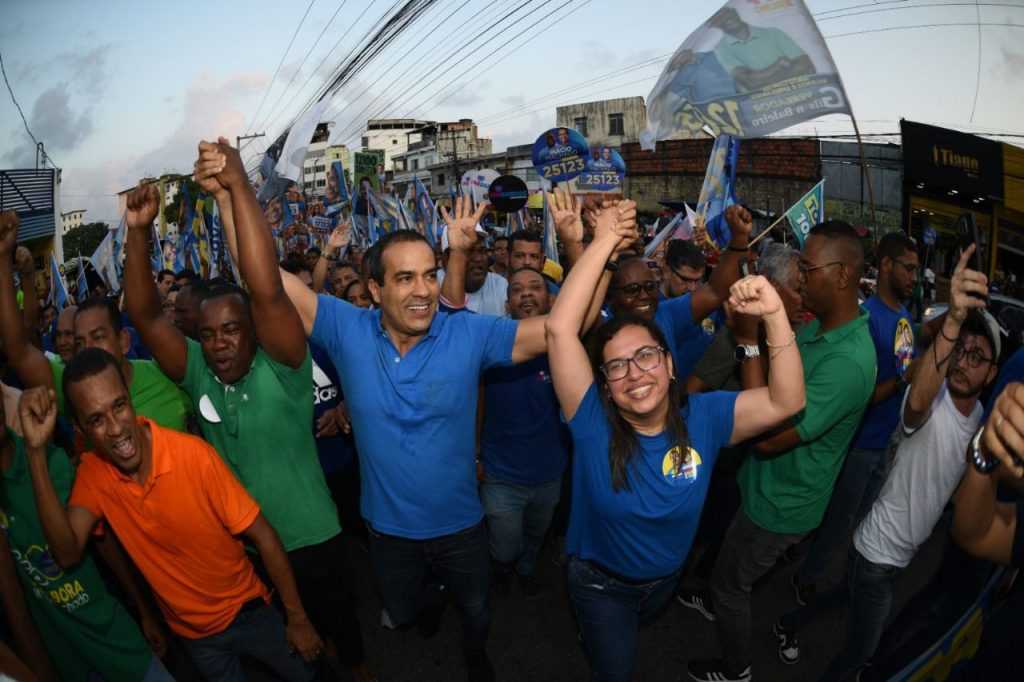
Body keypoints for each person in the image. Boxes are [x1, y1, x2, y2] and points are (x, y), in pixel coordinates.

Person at [271, 190, 629, 681]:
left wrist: (596, 248)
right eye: (404, 277)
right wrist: (232, 201)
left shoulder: (468, 333)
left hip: (462, 527)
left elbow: (566, 328)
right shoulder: (344, 327)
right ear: (374, 290)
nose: (423, 290)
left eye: (429, 274)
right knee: (407, 607)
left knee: (477, 610)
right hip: (387, 533)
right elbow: (264, 279)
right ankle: (428, 605)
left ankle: (475, 654)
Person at [126, 143, 373, 681]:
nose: (219, 344)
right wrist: (139, 231)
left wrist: (238, 187)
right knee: (290, 658)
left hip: (313, 540)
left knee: (343, 646)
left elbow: (266, 290)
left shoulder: (283, 363)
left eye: (233, 330)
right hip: (246, 554)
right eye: (209, 333)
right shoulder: (196, 372)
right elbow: (144, 316)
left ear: (254, 332)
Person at [545, 207, 805, 682]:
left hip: (667, 579)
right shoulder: (589, 423)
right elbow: (560, 329)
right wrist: (603, 242)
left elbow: (787, 400)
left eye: (646, 356)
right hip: (600, 585)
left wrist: (773, 317)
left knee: (636, 628)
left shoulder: (704, 417)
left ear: (669, 366)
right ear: (603, 386)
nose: (635, 372)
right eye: (617, 366)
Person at [21, 353, 322, 680]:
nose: (115, 428)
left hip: (249, 611)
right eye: (96, 420)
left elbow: (264, 535)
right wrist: (36, 452)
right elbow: (66, 553)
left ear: (131, 400)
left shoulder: (192, 456)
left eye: (119, 406)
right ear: (80, 429)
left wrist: (298, 618)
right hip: (195, 639)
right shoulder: (94, 475)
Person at [777, 246, 999, 679]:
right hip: (879, 550)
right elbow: (915, 398)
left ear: (992, 373)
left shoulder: (979, 421)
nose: (965, 363)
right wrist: (952, 321)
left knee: (844, 595)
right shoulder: (931, 403)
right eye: (962, 352)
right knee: (863, 649)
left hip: (897, 554)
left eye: (979, 357)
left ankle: (787, 622)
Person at [689, 221, 877, 682]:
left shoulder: (849, 363)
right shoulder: (817, 329)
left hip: (780, 505)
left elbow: (770, 435)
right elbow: (779, 384)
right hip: (765, 485)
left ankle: (737, 669)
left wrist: (749, 338)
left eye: (809, 268)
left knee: (729, 587)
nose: (801, 276)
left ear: (843, 276)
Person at [0, 378, 174, 681]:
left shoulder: (49, 462)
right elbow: (12, 601)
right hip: (65, 658)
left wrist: (143, 609)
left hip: (112, 634)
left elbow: (102, 541)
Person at [792, 232, 919, 604]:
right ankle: (807, 579)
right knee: (838, 521)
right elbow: (859, 396)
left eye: (916, 269)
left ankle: (842, 578)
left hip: (887, 441)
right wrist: (900, 382)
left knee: (861, 522)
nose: (914, 276)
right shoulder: (867, 320)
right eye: (908, 268)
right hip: (860, 443)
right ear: (885, 266)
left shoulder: (904, 317)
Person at [0, 215, 191, 437]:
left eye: (98, 337)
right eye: (80, 342)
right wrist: (5, 258)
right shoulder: (74, 390)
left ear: (124, 341)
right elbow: (18, 351)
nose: (88, 349)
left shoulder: (167, 375)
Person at [606, 205, 753, 385]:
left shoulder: (665, 314)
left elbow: (715, 290)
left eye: (650, 286)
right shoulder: (600, 327)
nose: (643, 295)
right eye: (632, 290)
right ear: (612, 295)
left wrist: (739, 237)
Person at [439, 234, 509, 317]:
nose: (478, 259)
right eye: (469, 251)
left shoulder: (500, 285)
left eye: (482, 251)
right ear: (446, 260)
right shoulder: (432, 287)